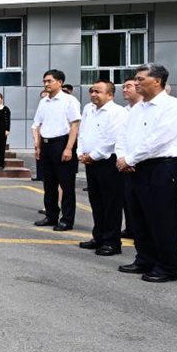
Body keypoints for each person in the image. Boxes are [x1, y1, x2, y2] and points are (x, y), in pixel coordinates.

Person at [115, 63, 177, 282]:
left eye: (140, 79)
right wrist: (122, 157)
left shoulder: (173, 107)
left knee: (162, 219)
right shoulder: (137, 108)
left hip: (161, 168)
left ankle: (167, 266)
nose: (135, 83)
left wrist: (129, 158)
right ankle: (145, 258)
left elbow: (158, 140)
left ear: (157, 81)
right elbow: (123, 135)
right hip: (134, 168)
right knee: (138, 217)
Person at [77, 81, 128, 256]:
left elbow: (111, 139)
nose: (93, 94)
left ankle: (112, 242)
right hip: (90, 161)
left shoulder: (118, 112)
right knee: (96, 202)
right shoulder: (88, 109)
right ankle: (98, 236)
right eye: (92, 91)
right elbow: (82, 133)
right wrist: (80, 152)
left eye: (98, 91)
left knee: (111, 204)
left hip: (108, 162)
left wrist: (93, 155)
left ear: (110, 95)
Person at [32, 70, 82, 231]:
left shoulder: (69, 101)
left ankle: (67, 219)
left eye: (49, 81)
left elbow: (75, 125)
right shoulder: (43, 102)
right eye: (44, 81)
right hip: (46, 145)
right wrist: (38, 146)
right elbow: (38, 124)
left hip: (62, 144)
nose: (46, 84)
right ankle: (51, 215)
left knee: (66, 186)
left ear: (59, 82)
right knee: (49, 184)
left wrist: (69, 148)